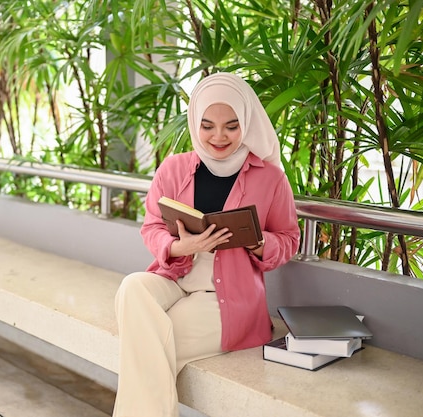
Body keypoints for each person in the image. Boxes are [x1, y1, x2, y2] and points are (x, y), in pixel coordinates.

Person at [112, 72, 300, 417]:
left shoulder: (271, 178)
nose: (218, 136)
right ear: (194, 123)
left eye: (231, 125)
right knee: (132, 287)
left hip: (226, 298)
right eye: (207, 125)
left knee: (147, 347)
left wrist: (257, 241)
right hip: (175, 277)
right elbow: (152, 225)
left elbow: (289, 240)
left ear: (246, 123)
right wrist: (178, 248)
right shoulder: (174, 167)